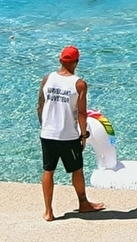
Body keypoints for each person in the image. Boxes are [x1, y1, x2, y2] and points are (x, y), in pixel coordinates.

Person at [38, 46, 104, 221]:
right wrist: (84, 135)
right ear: (77, 62)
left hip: (47, 134)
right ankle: (83, 203)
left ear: (60, 60)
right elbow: (82, 114)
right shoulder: (79, 84)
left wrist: (43, 126)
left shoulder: (47, 79)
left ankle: (48, 211)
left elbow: (40, 105)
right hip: (68, 136)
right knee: (77, 170)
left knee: (48, 171)